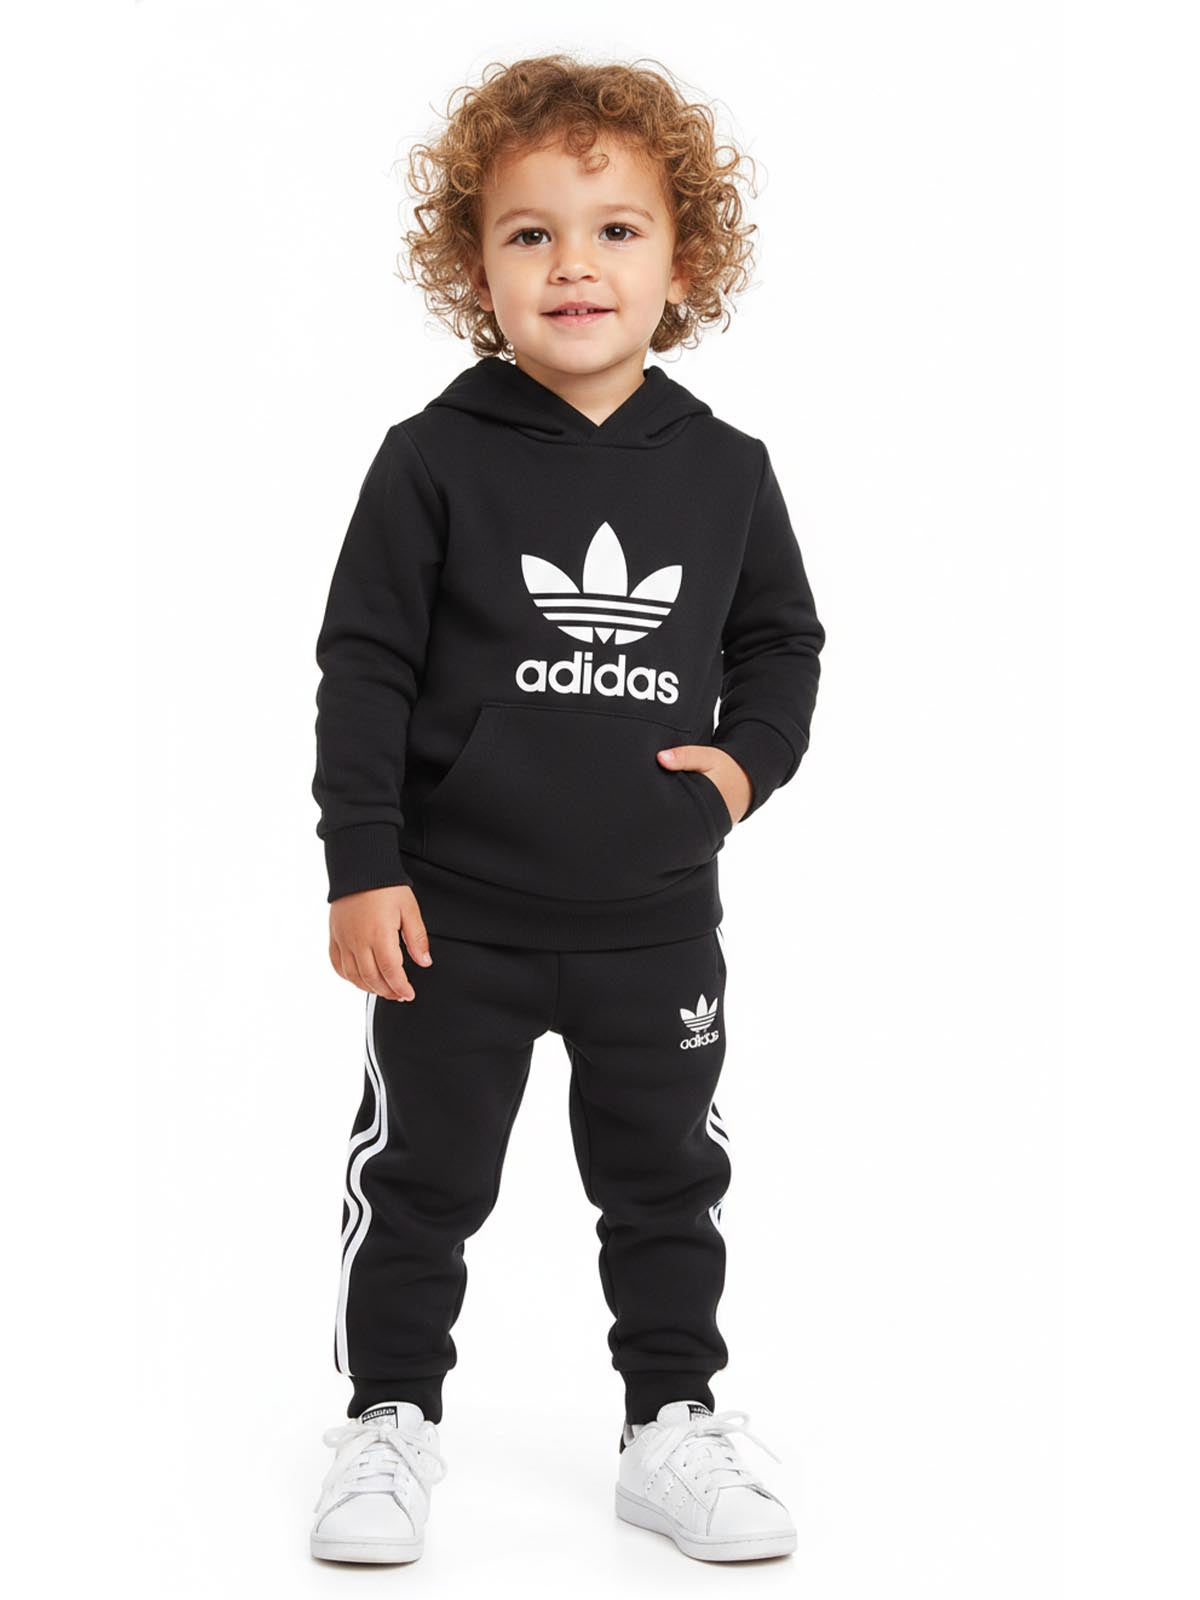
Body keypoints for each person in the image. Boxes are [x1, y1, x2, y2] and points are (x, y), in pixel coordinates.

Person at [308, 53, 825, 1566]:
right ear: (476, 268)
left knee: (667, 1185)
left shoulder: (727, 471)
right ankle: (387, 1420)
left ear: (685, 261)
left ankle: (673, 1423)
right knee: (419, 1184)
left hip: (653, 924)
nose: (574, 266)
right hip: (449, 923)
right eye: (530, 233)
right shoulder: (430, 459)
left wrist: (745, 765)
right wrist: (361, 866)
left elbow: (782, 643)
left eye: (616, 230)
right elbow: (364, 666)